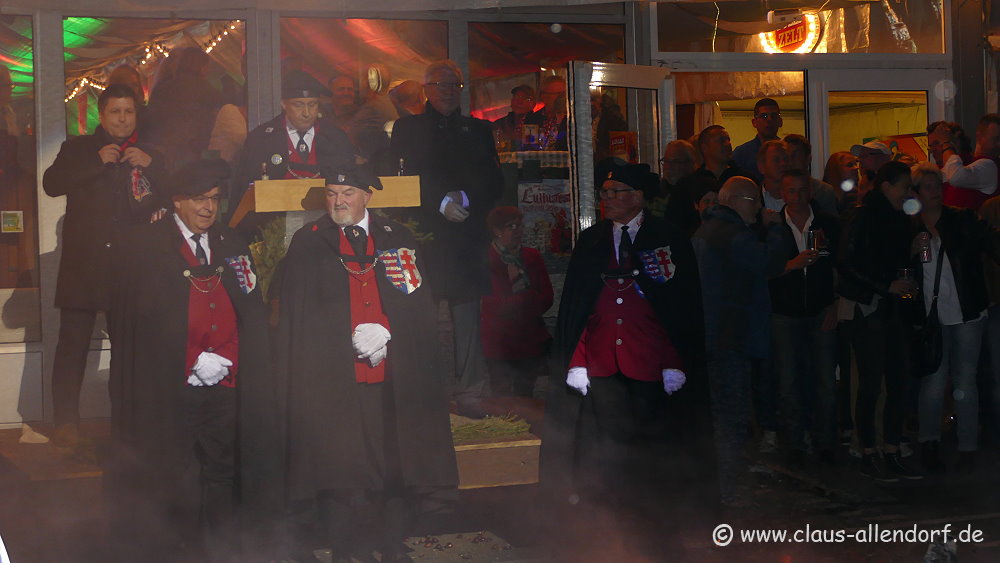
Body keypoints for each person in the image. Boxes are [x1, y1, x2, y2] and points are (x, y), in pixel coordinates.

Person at [273, 167, 457, 562]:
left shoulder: (396, 236)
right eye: (332, 193)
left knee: (394, 458)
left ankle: (390, 544)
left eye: (348, 193)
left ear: (367, 196)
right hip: (333, 377)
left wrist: (387, 328)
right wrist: (340, 337)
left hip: (391, 374)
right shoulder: (309, 241)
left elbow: (415, 301)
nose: (338, 201)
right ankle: (344, 548)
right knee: (339, 466)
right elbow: (299, 314)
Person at [105, 158, 270, 563]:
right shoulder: (145, 246)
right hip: (171, 383)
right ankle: (179, 550)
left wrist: (229, 357)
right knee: (175, 470)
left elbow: (249, 307)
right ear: (177, 201)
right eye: (199, 199)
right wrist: (192, 357)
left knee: (222, 468)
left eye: (214, 199)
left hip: (225, 381)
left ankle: (220, 549)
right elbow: (139, 320)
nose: (208, 208)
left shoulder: (231, 241)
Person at [542, 160, 708, 557]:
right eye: (604, 193)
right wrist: (577, 360)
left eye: (616, 193)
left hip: (650, 365)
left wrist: (674, 360)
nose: (608, 200)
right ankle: (609, 520)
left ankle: (653, 521)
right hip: (603, 363)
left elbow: (680, 309)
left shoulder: (668, 238)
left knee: (651, 445)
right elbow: (578, 307)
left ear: (638, 197)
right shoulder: (591, 241)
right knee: (606, 446)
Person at [42, 84, 166, 446]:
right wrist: (97, 163)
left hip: (130, 266)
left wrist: (152, 166)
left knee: (128, 351)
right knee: (72, 346)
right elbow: (51, 184)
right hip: (84, 266)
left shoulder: (150, 152)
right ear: (102, 114)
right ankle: (66, 423)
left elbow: (176, 191)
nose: (123, 119)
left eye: (129, 112)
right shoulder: (79, 148)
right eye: (116, 112)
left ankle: (126, 425)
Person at [389, 60, 503, 418]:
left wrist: (464, 198)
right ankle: (424, 394)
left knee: (467, 319)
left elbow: (494, 180)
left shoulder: (479, 129)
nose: (448, 91)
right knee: (420, 317)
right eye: (441, 84)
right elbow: (402, 177)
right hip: (424, 236)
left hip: (466, 237)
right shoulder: (407, 128)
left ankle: (470, 392)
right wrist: (439, 202)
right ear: (426, 89)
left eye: (454, 84)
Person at [691, 176, 786, 505]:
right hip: (730, 337)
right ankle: (724, 489)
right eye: (754, 200)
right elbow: (770, 262)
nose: (759, 207)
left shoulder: (705, 231)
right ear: (735, 200)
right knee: (731, 415)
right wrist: (775, 230)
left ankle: (713, 483)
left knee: (716, 413)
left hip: (711, 335)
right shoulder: (733, 234)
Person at [911, 162, 1000, 474]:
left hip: (966, 311)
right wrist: (910, 249)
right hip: (930, 315)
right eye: (927, 187)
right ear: (916, 193)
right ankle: (929, 442)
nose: (934, 192)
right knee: (933, 382)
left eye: (937, 186)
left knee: (965, 381)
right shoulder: (910, 226)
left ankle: (967, 447)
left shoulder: (961, 219)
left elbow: (991, 242)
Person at [838, 160, 923, 482]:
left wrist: (910, 257)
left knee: (897, 381)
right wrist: (886, 285)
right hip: (871, 307)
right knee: (871, 382)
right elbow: (846, 263)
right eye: (905, 187)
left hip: (893, 309)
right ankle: (869, 451)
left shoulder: (899, 218)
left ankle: (890, 449)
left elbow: (892, 260)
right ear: (887, 186)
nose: (909, 193)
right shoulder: (864, 216)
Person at [768, 169, 841, 468]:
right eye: (791, 191)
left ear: (810, 192)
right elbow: (764, 270)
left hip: (821, 309)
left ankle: (826, 443)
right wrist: (790, 265)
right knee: (788, 381)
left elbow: (839, 266)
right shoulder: (772, 227)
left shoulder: (828, 224)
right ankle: (795, 444)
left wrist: (834, 305)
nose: (796, 197)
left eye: (801, 190)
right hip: (784, 313)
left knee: (826, 381)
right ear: (782, 194)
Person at [230, 70, 355, 229]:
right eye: (298, 105)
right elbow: (243, 191)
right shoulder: (261, 139)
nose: (306, 113)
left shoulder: (336, 139)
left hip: (327, 226)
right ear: (284, 104)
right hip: (271, 228)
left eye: (312, 105)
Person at [480, 207, 553, 397]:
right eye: (511, 226)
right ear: (497, 230)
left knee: (525, 395)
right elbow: (491, 304)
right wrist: (524, 298)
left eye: (519, 226)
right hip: (499, 342)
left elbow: (546, 297)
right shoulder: (486, 259)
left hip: (528, 341)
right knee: (501, 395)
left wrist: (519, 301)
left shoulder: (531, 256)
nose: (517, 231)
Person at [927, 113, 1000, 210]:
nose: (933, 149)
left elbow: (956, 176)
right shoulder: (945, 170)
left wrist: (945, 143)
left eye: (937, 143)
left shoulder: (989, 166)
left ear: (956, 140)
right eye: (931, 146)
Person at [685, 125, 749, 205]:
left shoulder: (745, 180)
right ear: (704, 148)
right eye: (721, 141)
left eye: (728, 140)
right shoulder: (689, 184)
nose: (728, 144)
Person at [650, 139, 700, 234]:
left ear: (690, 164)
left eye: (675, 161)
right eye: (666, 161)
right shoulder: (656, 190)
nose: (668, 167)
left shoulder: (697, 191)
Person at [783, 133, 838, 217]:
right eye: (786, 156)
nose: (790, 160)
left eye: (795, 155)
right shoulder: (777, 189)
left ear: (808, 158)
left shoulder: (823, 191)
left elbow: (831, 222)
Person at [732, 98, 783, 183]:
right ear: (754, 122)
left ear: (780, 121)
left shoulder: (788, 150)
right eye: (764, 116)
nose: (769, 120)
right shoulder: (741, 154)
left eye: (774, 116)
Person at [525, 75, 567, 150]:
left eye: (564, 94)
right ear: (544, 96)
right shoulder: (532, 119)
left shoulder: (571, 119)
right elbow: (529, 147)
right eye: (559, 94)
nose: (563, 98)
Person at [492, 84, 535, 152]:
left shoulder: (537, 122)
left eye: (525, 98)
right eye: (516, 97)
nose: (519, 101)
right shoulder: (500, 124)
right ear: (511, 101)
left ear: (533, 104)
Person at [758, 140, 790, 211]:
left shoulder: (803, 198)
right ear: (761, 166)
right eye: (776, 160)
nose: (783, 164)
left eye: (786, 159)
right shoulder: (753, 200)